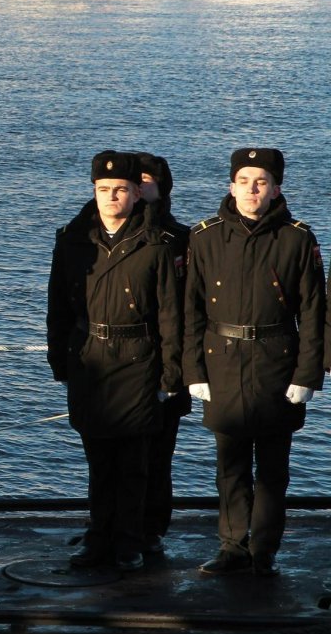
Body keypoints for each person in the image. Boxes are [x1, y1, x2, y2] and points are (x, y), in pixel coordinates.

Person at [184, 148, 325, 577]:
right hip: (222, 361)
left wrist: (308, 375)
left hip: (275, 363)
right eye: (243, 180)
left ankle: (262, 551)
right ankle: (231, 546)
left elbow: (315, 312)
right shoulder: (204, 237)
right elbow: (189, 309)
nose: (251, 189)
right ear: (231, 186)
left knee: (273, 469)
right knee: (229, 466)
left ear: (276, 188)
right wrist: (194, 372)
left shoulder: (298, 238)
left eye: (260, 181)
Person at [47, 151, 182, 572]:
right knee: (98, 460)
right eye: (103, 190)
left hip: (138, 359)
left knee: (134, 463)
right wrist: (60, 362)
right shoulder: (72, 241)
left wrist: (171, 373)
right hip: (90, 357)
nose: (111, 197)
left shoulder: (156, 244)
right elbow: (57, 308)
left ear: (136, 193)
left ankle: (129, 540)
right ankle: (99, 537)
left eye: (120, 189)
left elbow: (170, 316)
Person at [134, 152, 191, 556]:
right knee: (113, 451)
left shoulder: (181, 238)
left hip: (164, 359)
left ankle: (151, 529)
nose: (139, 189)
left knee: (159, 453)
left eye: (147, 181)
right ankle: (111, 524)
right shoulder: (97, 234)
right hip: (120, 359)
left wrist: (180, 371)